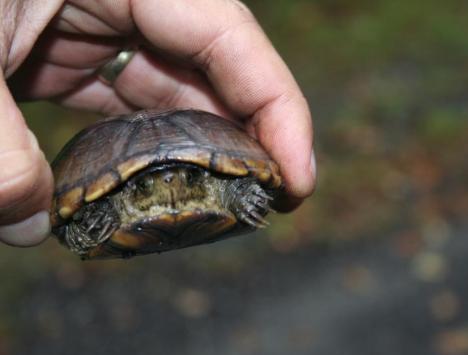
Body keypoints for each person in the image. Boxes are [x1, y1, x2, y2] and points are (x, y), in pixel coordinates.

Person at [0, 0, 316, 247]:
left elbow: (254, 183)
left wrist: (244, 195)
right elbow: (73, 220)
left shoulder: (225, 189)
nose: (168, 185)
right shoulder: (108, 206)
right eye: (145, 185)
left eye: (191, 176)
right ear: (128, 189)